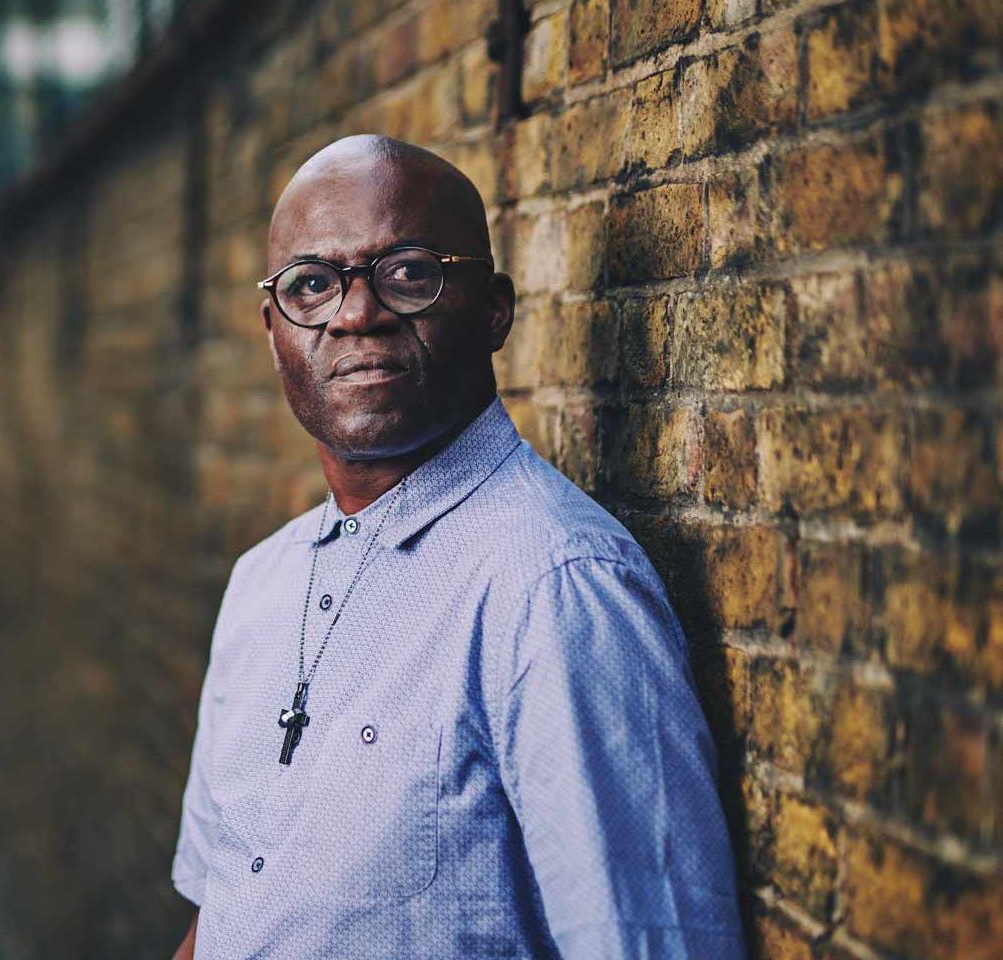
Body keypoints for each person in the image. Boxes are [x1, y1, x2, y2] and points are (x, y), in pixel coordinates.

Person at [168, 135, 744, 959]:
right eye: (312, 285)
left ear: (494, 309)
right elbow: (223, 915)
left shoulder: (555, 588)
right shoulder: (261, 584)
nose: (356, 313)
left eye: (408, 273)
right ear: (274, 331)